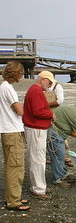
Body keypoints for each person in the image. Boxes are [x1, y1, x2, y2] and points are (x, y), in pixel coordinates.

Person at [0, 61, 30, 211]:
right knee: (16, 166)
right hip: (12, 131)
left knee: (12, 165)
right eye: (21, 73)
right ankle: (13, 201)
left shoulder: (3, 87)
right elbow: (20, 111)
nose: (22, 75)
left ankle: (13, 197)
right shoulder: (8, 88)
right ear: (16, 74)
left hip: (8, 131)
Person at [23, 71, 56, 200]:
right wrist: (51, 115)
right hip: (35, 129)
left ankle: (39, 186)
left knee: (38, 158)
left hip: (36, 128)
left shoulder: (35, 90)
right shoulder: (36, 91)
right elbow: (37, 111)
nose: (50, 84)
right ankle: (38, 189)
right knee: (38, 159)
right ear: (42, 80)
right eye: (49, 81)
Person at [44, 81, 74, 167]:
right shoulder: (41, 88)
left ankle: (66, 157)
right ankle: (50, 156)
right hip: (45, 114)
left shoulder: (57, 87)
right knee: (48, 137)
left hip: (55, 114)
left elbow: (59, 101)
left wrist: (45, 105)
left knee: (59, 135)